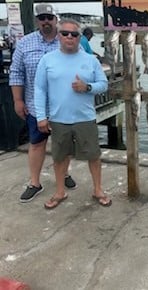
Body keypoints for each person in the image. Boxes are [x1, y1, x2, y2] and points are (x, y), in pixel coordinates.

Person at [34, 18, 111, 209]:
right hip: (59, 119)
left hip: (85, 118)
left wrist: (87, 87)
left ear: (79, 37)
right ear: (58, 36)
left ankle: (98, 189)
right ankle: (60, 191)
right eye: (65, 33)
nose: (70, 37)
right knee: (59, 157)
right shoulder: (47, 60)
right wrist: (41, 116)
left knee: (94, 156)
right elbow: (39, 89)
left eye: (74, 34)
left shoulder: (90, 59)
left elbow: (103, 85)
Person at [9, 3, 76, 203]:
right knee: (37, 144)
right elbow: (16, 73)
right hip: (35, 106)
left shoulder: (68, 40)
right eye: (42, 18)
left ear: (56, 19)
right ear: (37, 20)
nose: (46, 21)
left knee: (63, 145)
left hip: (63, 106)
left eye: (49, 17)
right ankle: (35, 183)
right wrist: (17, 100)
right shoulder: (24, 43)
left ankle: (63, 177)